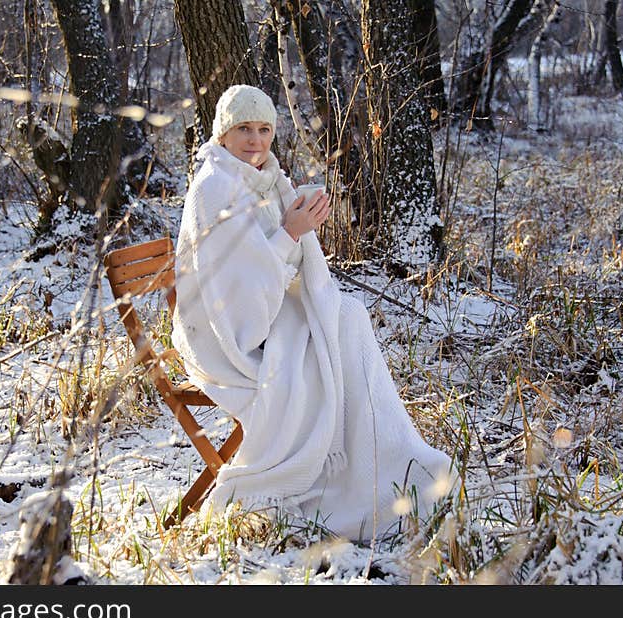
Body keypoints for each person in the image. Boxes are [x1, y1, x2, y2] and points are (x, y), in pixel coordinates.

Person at [172, 85, 454, 541]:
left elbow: (260, 264)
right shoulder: (215, 189)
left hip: (259, 315)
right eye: (244, 128)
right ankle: (352, 476)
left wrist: (295, 215)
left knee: (347, 319)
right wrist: (289, 232)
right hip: (224, 338)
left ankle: (384, 459)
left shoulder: (260, 177)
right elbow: (236, 299)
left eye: (264, 129)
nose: (255, 140)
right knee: (331, 335)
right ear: (223, 133)